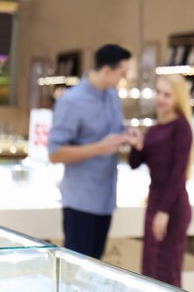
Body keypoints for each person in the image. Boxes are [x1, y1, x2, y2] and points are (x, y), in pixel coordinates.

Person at [48, 44, 133, 259]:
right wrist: (99, 148)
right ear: (107, 71)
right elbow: (55, 152)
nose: (124, 79)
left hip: (106, 201)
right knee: (75, 272)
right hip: (80, 204)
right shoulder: (71, 101)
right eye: (122, 74)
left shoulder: (112, 96)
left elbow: (115, 131)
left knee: (95, 270)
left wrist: (128, 135)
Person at [128, 74, 194, 288]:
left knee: (167, 270)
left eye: (167, 94)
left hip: (172, 207)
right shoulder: (155, 128)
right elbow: (134, 163)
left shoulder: (182, 127)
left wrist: (164, 212)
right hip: (154, 202)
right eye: (158, 92)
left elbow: (178, 173)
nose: (161, 98)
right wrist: (137, 145)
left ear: (177, 98)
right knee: (149, 268)